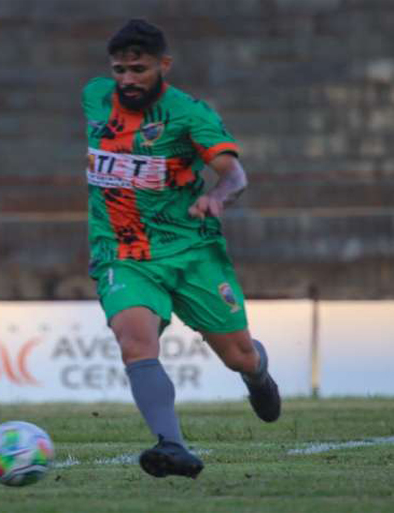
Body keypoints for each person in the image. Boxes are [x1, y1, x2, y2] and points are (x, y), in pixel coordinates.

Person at [82, 19, 281, 479]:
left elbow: (234, 173)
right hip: (122, 252)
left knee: (239, 356)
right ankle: (170, 445)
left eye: (139, 69)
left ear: (163, 66)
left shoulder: (190, 114)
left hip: (191, 251)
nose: (128, 79)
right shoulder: (94, 97)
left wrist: (217, 196)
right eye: (120, 70)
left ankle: (257, 374)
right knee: (135, 343)